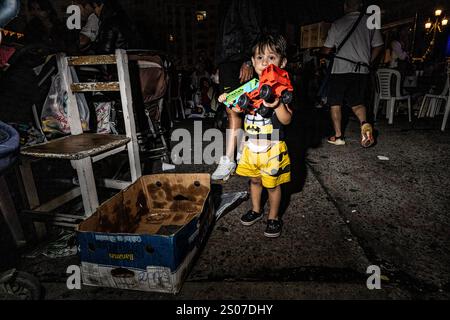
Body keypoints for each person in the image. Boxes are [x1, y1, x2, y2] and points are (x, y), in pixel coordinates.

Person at [218, 34, 293, 238]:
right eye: (260, 58)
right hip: (252, 147)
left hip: (272, 147)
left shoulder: (280, 87)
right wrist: (228, 99)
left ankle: (274, 217)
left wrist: (277, 104)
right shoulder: (250, 86)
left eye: (271, 57)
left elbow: (286, 120)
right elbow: (237, 110)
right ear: (252, 61)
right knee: (254, 181)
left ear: (282, 62)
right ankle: (256, 210)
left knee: (273, 185)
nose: (265, 62)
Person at [321, 0, 384, 147]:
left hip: (340, 69)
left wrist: (320, 53)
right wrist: (368, 61)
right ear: (360, 5)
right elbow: (379, 45)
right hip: (361, 70)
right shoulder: (370, 21)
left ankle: (338, 137)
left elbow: (326, 49)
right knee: (357, 103)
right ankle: (364, 124)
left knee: (335, 103)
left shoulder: (338, 24)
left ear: (345, 6)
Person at [212, 0, 261, 181]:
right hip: (227, 62)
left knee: (239, 109)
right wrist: (219, 64)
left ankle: (230, 159)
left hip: (239, 60)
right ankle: (239, 153)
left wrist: (249, 61)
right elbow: (222, 37)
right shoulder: (223, 6)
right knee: (231, 108)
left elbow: (254, 30)